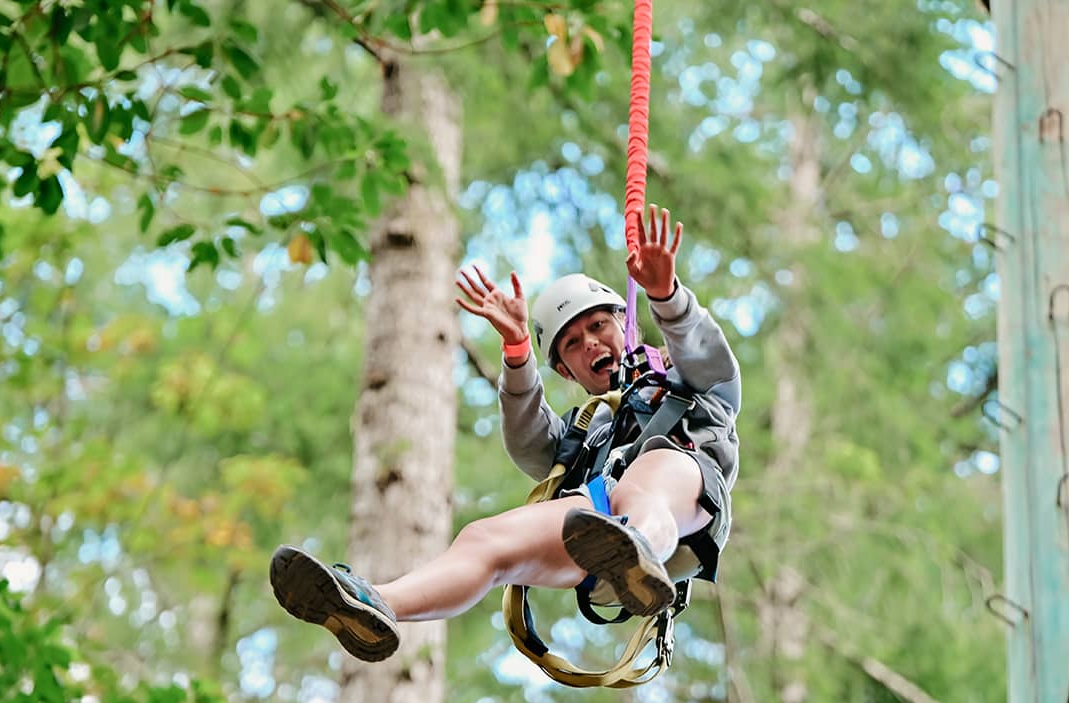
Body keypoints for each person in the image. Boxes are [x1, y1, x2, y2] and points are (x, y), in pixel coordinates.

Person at [270, 205, 740, 662]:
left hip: (681, 509)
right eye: (572, 345)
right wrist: (517, 355)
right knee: (483, 540)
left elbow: (706, 354)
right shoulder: (590, 434)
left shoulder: (692, 381)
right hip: (597, 532)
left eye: (598, 326)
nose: (590, 343)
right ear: (566, 373)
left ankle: (638, 552)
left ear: (624, 323)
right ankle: (375, 603)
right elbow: (531, 442)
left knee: (654, 471)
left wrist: (666, 296)